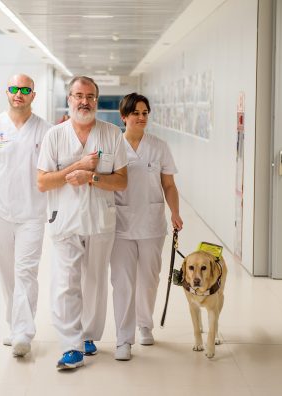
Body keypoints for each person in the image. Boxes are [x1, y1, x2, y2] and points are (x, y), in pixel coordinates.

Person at [37, 76, 128, 370]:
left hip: (100, 219)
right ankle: (70, 345)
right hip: (64, 220)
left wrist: (92, 177)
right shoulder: (54, 135)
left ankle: (89, 335)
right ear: (69, 99)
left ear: (97, 101)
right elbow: (42, 182)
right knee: (65, 282)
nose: (84, 101)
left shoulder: (113, 134)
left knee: (95, 281)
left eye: (90, 96)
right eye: (78, 95)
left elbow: (122, 181)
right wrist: (76, 167)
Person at [0, 74, 52, 358]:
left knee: (26, 272)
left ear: (33, 95)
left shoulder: (46, 131)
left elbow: (53, 171)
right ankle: (15, 323)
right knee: (8, 274)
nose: (19, 94)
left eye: (25, 90)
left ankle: (23, 333)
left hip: (33, 213)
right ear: (7, 92)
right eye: (14, 89)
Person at [109, 93, 183, 361]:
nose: (141, 118)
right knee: (122, 282)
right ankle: (123, 339)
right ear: (124, 117)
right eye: (136, 113)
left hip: (152, 224)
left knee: (149, 278)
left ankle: (145, 324)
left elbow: (169, 185)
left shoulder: (159, 146)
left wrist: (175, 211)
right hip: (120, 224)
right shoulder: (114, 145)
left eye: (145, 113)